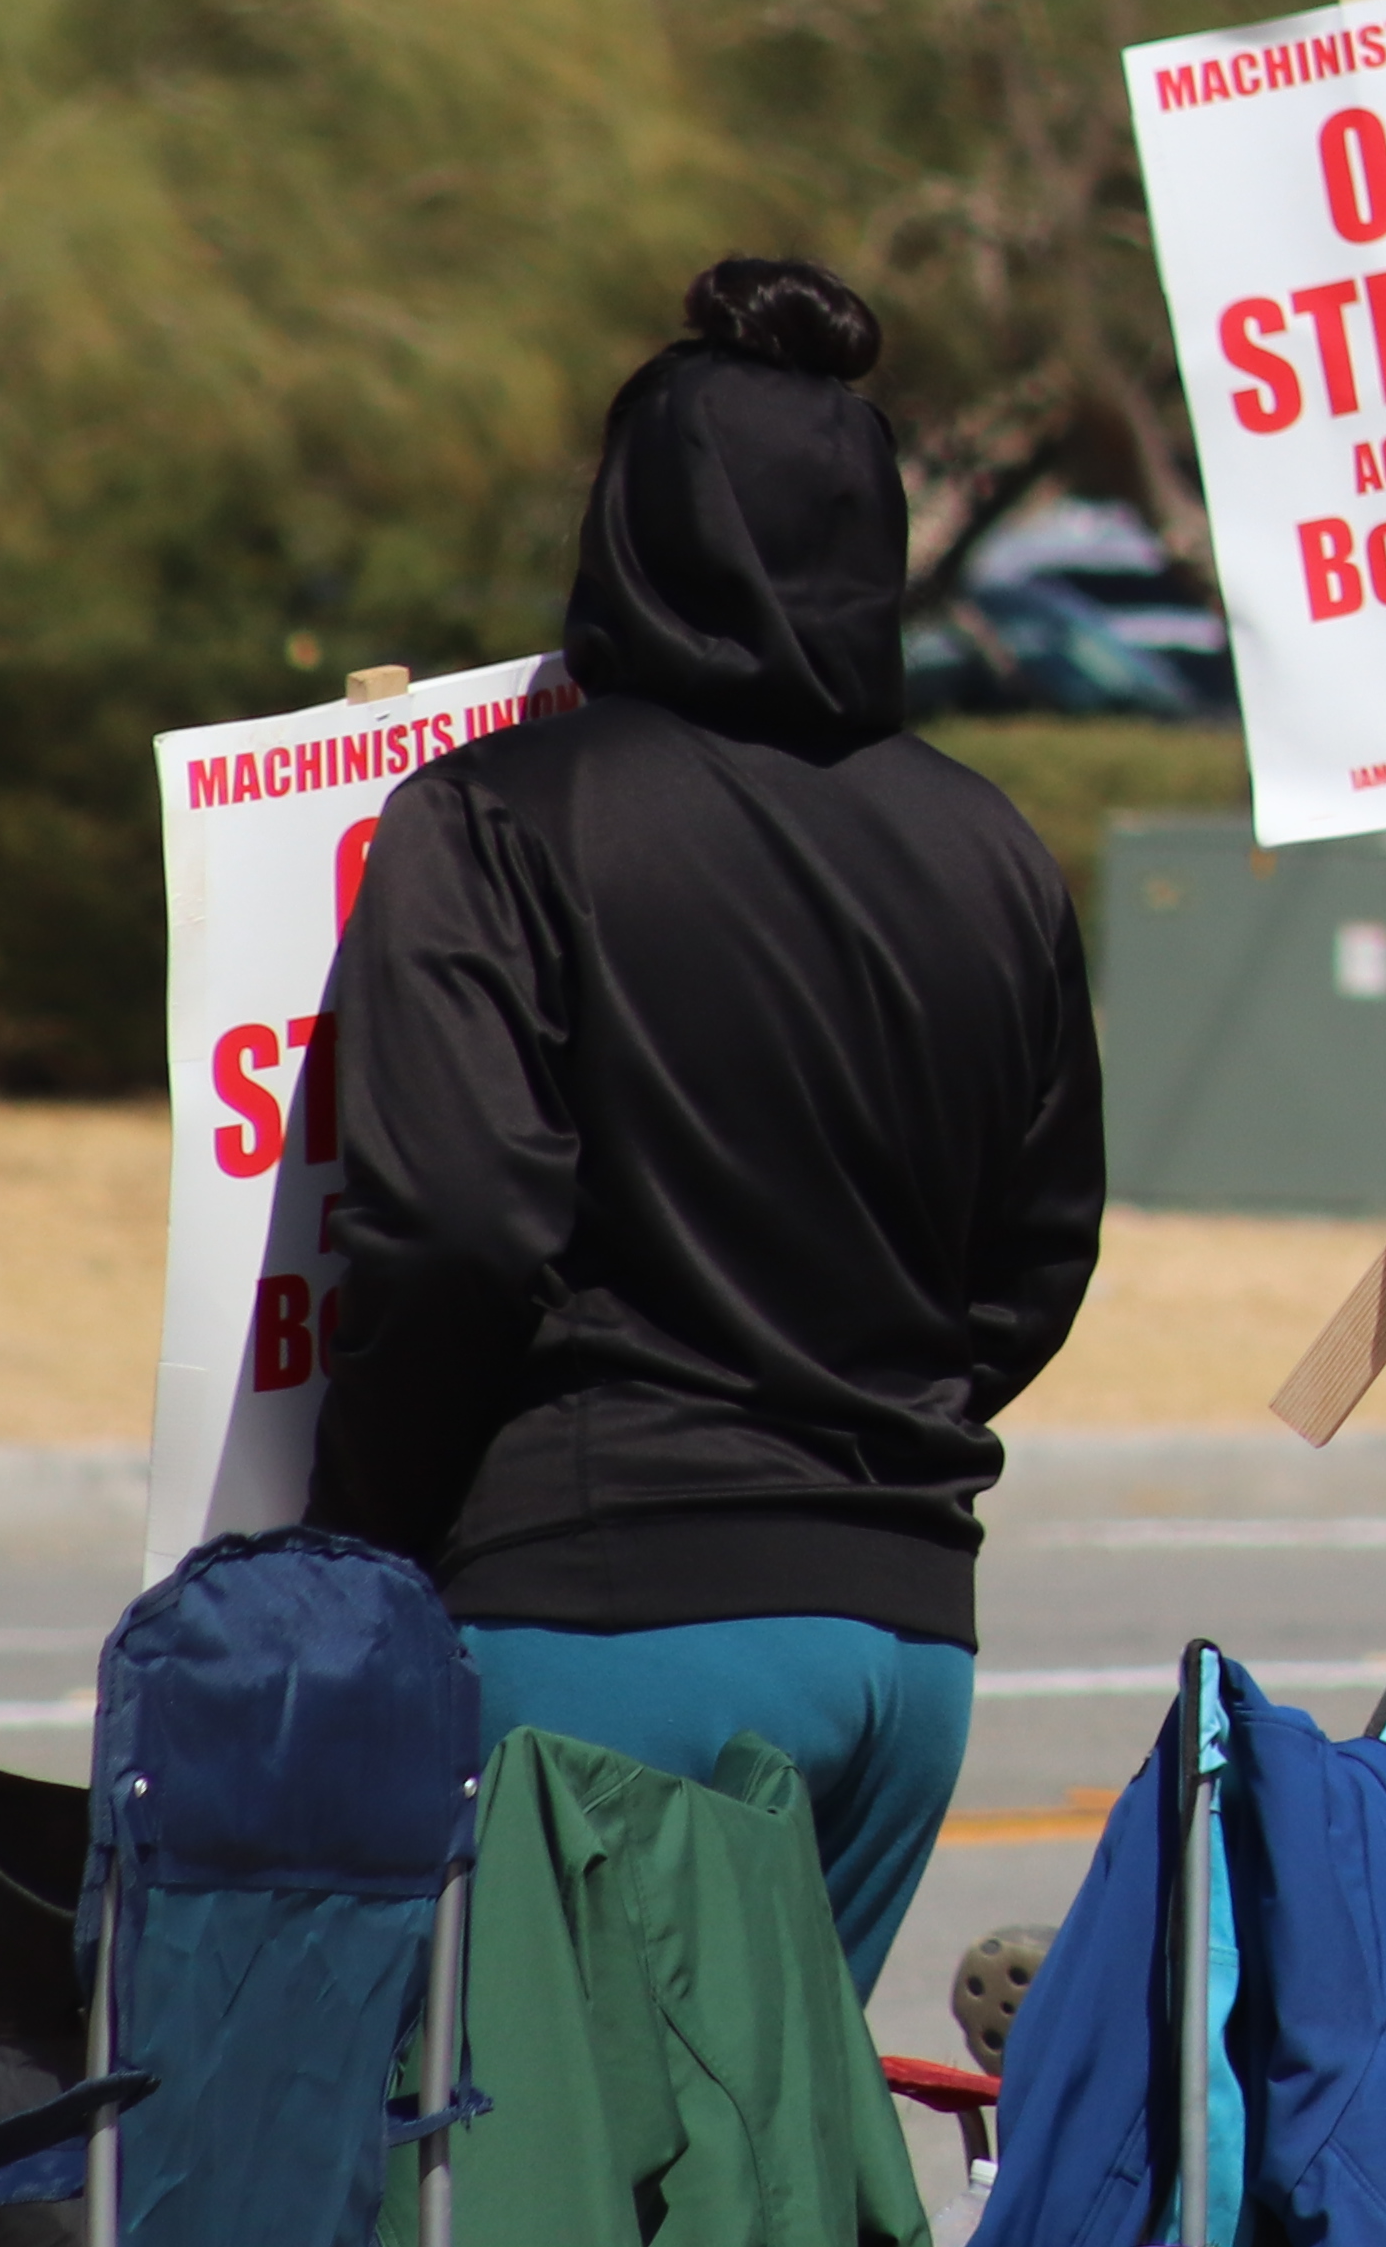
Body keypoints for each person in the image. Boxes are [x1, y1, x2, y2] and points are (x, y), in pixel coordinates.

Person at [314, 257, 1106, 1996]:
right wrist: (865, 1428)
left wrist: (359, 1529)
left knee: (563, 2227)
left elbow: (451, 1219)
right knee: (773, 2216)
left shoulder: (498, 816)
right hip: (905, 1639)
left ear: (628, 533)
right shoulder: (991, 852)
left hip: (602, 1610)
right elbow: (1036, 1260)